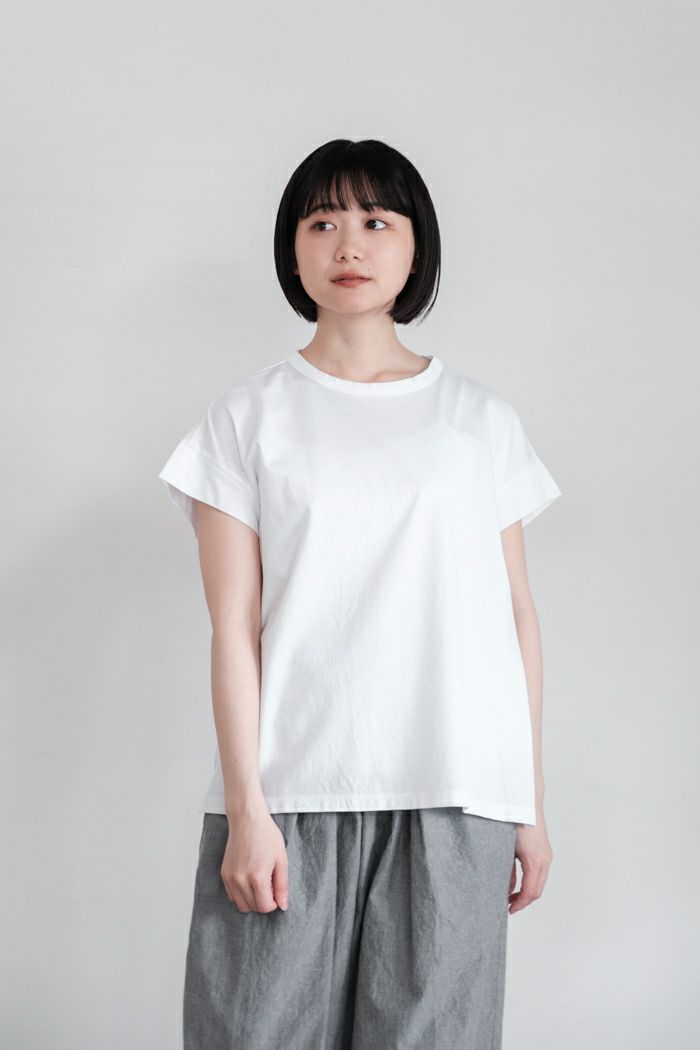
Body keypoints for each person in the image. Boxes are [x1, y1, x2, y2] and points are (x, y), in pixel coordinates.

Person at [157, 138, 563, 1049]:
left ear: (417, 248)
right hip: (292, 793)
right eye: (322, 222)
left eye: (378, 221)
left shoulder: (479, 422)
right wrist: (247, 808)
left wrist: (530, 806)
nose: (349, 244)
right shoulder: (246, 418)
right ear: (292, 250)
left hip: (457, 792)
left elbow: (517, 617)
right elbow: (232, 627)